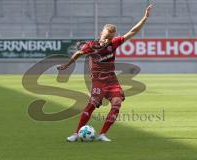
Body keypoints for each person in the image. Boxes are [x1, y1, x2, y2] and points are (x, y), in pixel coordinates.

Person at [57, 4, 153, 142]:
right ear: (102, 33)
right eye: (107, 36)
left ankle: (102, 134)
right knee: (93, 103)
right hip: (98, 80)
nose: (109, 39)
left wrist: (144, 18)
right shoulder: (91, 46)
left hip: (112, 80)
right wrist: (66, 65)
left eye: (111, 37)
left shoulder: (113, 44)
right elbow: (78, 53)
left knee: (117, 103)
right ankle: (76, 134)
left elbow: (132, 32)